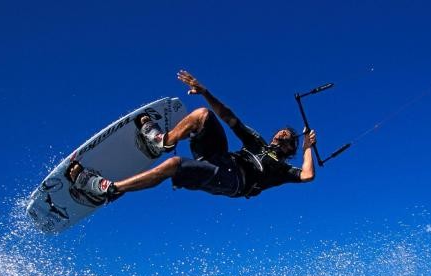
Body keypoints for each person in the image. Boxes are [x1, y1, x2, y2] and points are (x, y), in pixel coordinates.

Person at [66, 70, 317, 204]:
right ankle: (162, 142)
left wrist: (307, 147)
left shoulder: (282, 169)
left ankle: (109, 189)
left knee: (175, 165)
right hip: (222, 158)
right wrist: (205, 92)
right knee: (202, 115)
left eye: (287, 138)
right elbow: (229, 117)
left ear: (290, 149)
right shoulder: (257, 142)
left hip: (234, 181)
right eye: (280, 132)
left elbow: (307, 175)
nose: (281, 135)